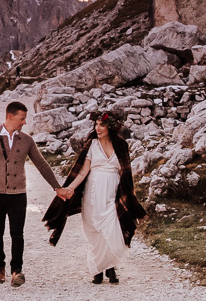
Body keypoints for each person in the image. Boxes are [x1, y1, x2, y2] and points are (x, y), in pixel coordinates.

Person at [43, 110, 146, 284]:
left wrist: (126, 195)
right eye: (96, 124)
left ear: (111, 127)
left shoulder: (121, 146)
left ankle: (110, 267)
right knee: (95, 229)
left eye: (102, 125)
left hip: (113, 191)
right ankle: (98, 270)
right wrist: (69, 188)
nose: (98, 128)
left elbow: (125, 173)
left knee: (112, 228)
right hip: (94, 191)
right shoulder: (92, 145)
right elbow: (83, 172)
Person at [0, 101, 71, 287]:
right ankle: (0, 267)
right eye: (22, 118)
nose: (24, 122)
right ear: (10, 116)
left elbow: (41, 164)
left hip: (18, 194)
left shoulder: (27, 140)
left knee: (17, 234)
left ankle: (16, 271)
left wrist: (56, 187)